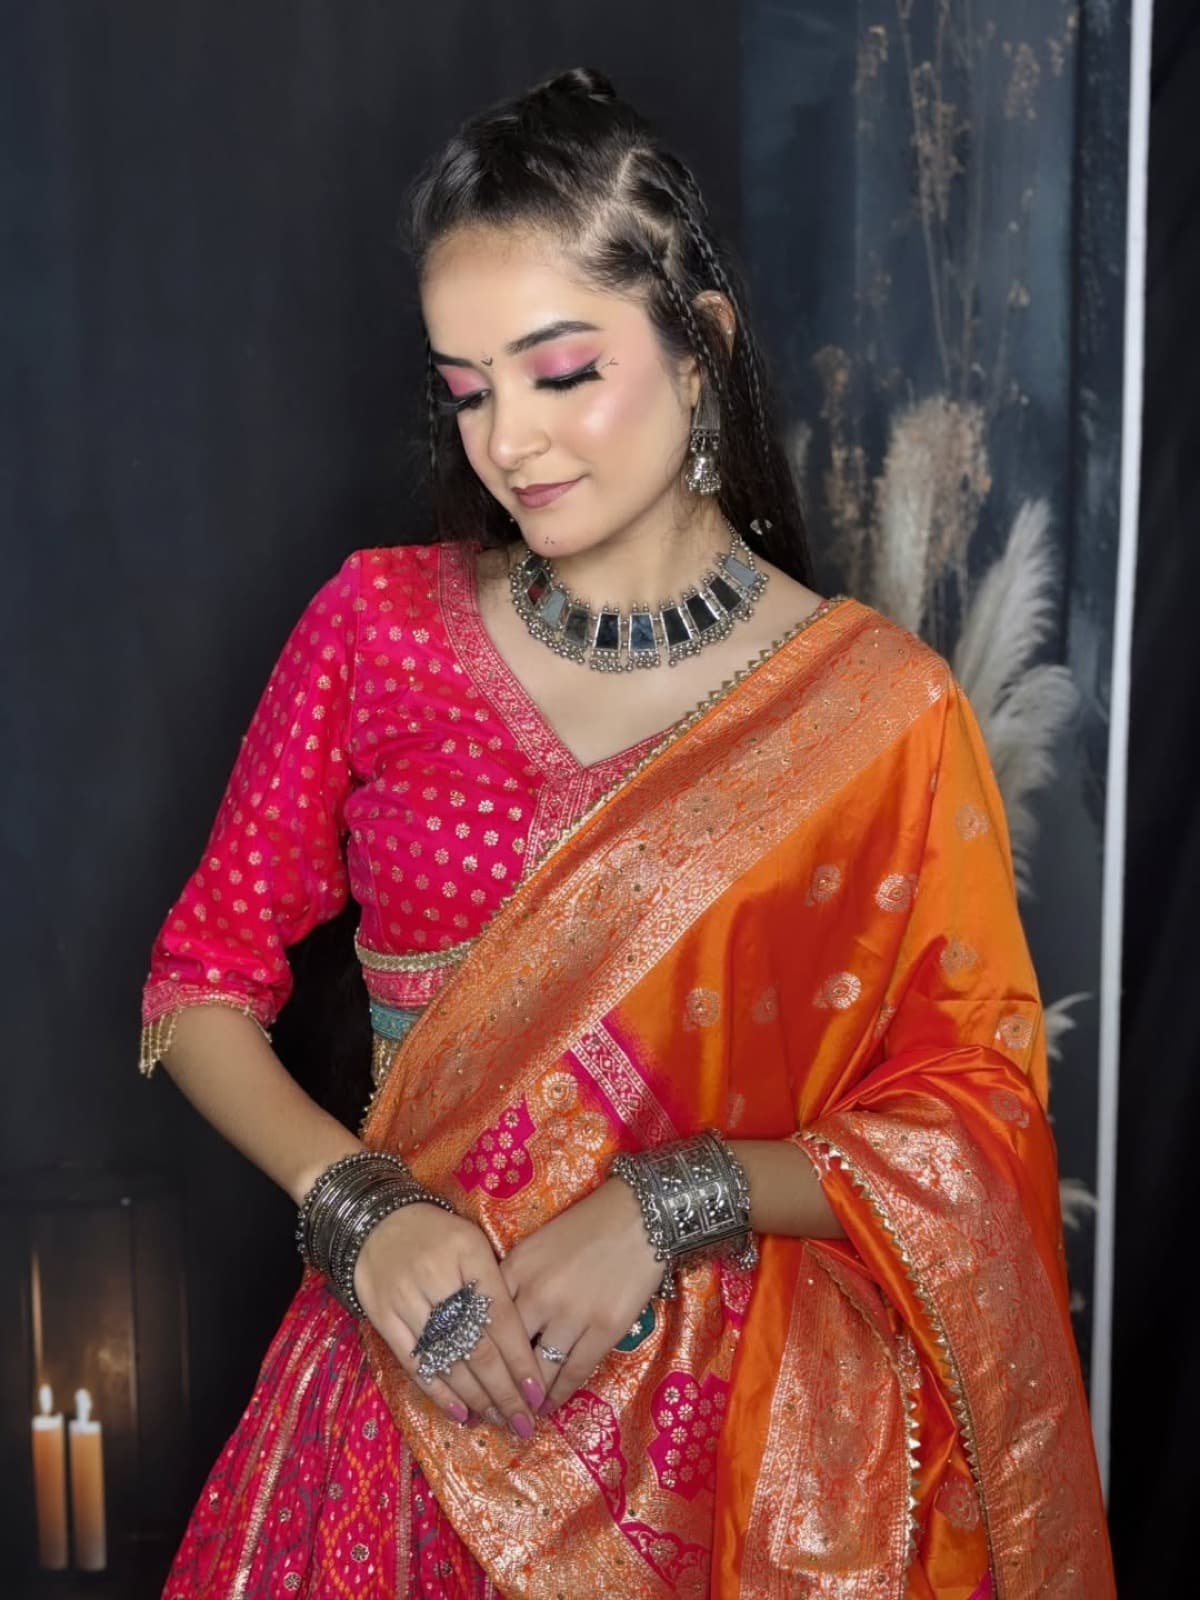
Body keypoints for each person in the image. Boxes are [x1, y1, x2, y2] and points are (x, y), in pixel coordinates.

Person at [137, 66, 1115, 1600]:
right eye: (467, 390)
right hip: (397, 1416)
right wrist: (358, 1208)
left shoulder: (875, 711)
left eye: (560, 372)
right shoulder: (376, 629)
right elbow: (197, 982)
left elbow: (971, 1118)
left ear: (698, 345)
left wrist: (669, 1201)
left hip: (730, 1479)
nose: (509, 442)